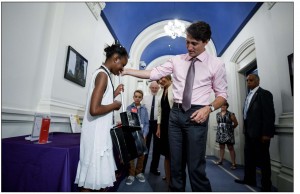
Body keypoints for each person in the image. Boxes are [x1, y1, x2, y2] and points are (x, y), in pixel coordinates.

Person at [122, 21, 228, 192]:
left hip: (197, 114)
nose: (189, 47)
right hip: (176, 115)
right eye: (187, 42)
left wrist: (209, 108)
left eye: (194, 43)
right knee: (175, 165)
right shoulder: (177, 60)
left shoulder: (216, 64)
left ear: (206, 41)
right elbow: (153, 73)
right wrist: (128, 71)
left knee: (195, 167)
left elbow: (222, 95)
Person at [75, 43, 128, 191]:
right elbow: (94, 109)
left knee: (97, 181)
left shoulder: (104, 74)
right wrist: (115, 104)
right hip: (95, 137)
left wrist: (114, 93)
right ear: (116, 58)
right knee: (90, 181)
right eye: (122, 65)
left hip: (101, 135)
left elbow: (102, 99)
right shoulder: (103, 75)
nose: (122, 69)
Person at [234, 74, 275, 192]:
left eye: (251, 80)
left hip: (261, 134)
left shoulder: (264, 94)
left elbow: (269, 115)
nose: (248, 82)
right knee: (249, 158)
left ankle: (266, 185)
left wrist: (266, 134)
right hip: (249, 133)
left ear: (258, 81)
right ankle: (249, 179)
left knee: (264, 161)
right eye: (247, 80)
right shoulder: (248, 95)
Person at [125, 90, 149, 185]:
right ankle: (131, 174)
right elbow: (127, 121)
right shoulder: (129, 108)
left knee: (141, 155)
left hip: (142, 134)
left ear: (142, 98)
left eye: (139, 97)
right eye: (136, 96)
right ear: (133, 97)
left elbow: (147, 123)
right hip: (132, 134)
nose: (137, 98)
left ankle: (139, 172)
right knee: (131, 154)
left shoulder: (144, 109)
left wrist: (145, 133)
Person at [156, 75, 173, 184]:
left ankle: (174, 177)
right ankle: (167, 176)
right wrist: (158, 126)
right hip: (164, 125)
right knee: (166, 153)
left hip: (174, 125)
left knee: (174, 153)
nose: (161, 81)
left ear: (169, 78)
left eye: (163, 78)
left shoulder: (176, 88)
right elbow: (159, 111)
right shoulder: (160, 92)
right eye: (159, 80)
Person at [142, 81, 161, 175]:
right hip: (147, 123)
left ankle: (154, 169)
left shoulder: (161, 98)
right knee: (146, 147)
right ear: (150, 88)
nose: (154, 89)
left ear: (158, 88)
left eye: (156, 88)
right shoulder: (145, 98)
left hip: (158, 124)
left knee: (157, 148)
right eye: (152, 87)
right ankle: (142, 169)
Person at [215, 101, 238, 170]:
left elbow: (236, 123)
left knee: (230, 148)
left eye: (224, 106)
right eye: (221, 106)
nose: (223, 107)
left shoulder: (231, 114)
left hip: (228, 134)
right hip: (220, 133)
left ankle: (233, 163)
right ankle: (221, 160)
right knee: (221, 147)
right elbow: (219, 124)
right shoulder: (217, 114)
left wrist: (230, 129)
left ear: (226, 106)